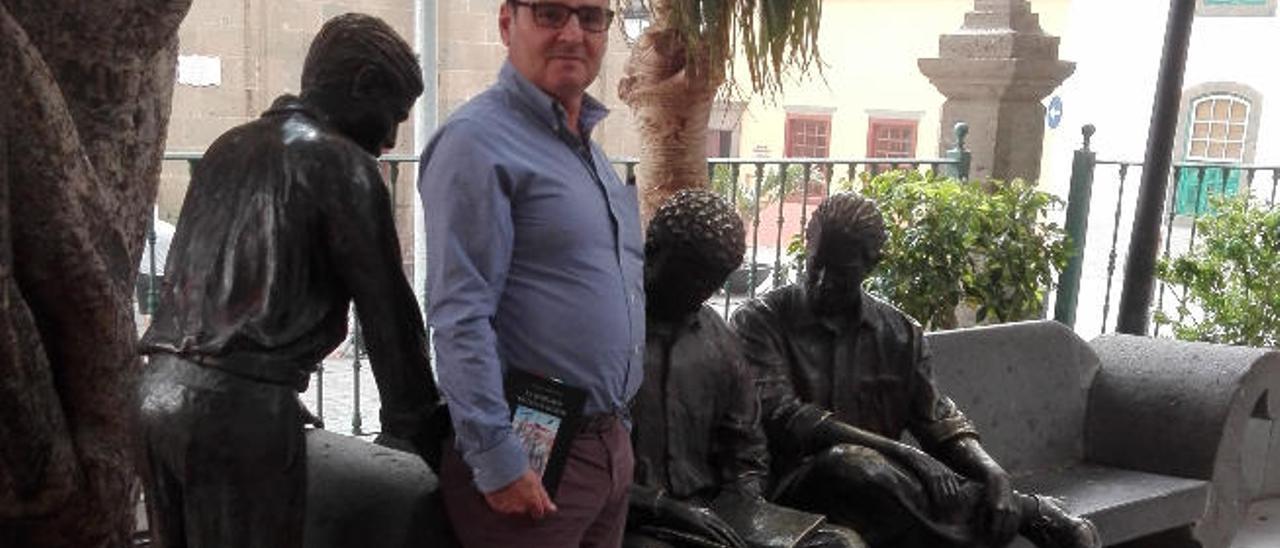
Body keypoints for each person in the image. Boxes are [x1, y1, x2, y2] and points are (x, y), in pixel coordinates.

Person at [136, 14, 439, 548]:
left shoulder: (226, 147)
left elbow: (200, 292)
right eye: (393, 116)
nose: (391, 140)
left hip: (156, 395)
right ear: (363, 82)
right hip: (237, 417)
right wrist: (431, 434)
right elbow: (389, 320)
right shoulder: (343, 164)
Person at [730, 193, 1100, 548]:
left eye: (841, 273)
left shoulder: (900, 333)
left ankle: (1012, 507)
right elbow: (786, 416)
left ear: (870, 266)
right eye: (816, 265)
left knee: (892, 482)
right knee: (853, 464)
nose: (824, 281)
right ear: (807, 248)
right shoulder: (759, 322)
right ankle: (1032, 513)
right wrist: (909, 455)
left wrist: (994, 475)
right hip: (794, 489)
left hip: (887, 490)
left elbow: (937, 419)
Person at [419, 1, 644, 547]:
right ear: (506, 23)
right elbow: (458, 314)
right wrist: (497, 459)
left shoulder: (589, 152)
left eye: (591, 18)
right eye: (550, 14)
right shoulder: (477, 142)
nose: (573, 34)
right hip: (532, 458)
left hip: (604, 444)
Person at [627, 189, 864, 548]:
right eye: (689, 277)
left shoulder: (719, 341)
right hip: (634, 519)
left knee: (841, 543)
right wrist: (664, 508)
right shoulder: (603, 331)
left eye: (711, 282)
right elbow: (568, 465)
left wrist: (746, 503)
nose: (700, 293)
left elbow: (746, 446)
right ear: (653, 251)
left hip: (713, 512)